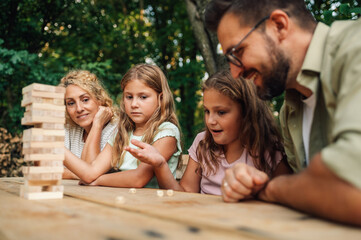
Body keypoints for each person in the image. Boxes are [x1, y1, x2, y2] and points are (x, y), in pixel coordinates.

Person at [205, 0, 361, 225]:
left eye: (237, 52)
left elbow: (349, 187)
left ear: (279, 25)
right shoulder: (290, 109)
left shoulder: (354, 47)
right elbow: (307, 188)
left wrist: (268, 189)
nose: (235, 73)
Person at [125, 71, 290, 195]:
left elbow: (284, 196)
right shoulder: (202, 143)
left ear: (246, 112)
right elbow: (184, 195)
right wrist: (160, 164)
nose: (210, 120)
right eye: (207, 111)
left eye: (221, 112)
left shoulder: (267, 148)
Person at [63, 64, 182, 188]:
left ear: (161, 98)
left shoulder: (166, 132)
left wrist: (98, 180)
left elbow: (138, 179)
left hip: (157, 204)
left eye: (143, 97)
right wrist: (56, 147)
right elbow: (90, 172)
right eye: (129, 97)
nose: (134, 104)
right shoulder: (122, 133)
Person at [60, 70, 118, 179]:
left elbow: (89, 174)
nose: (79, 108)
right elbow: (49, 169)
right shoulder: (69, 128)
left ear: (99, 99)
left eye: (85, 100)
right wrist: (77, 173)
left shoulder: (116, 129)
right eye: (71, 103)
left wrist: (97, 125)